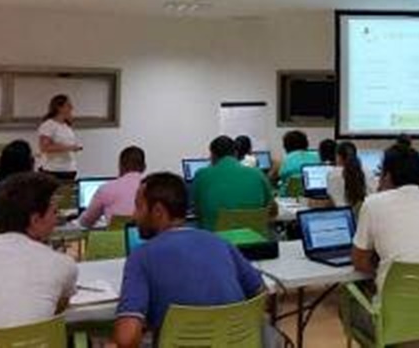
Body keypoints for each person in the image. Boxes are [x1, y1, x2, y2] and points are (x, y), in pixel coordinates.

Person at [113, 172, 264, 346]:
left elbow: (127, 339)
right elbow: (260, 293)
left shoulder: (141, 256)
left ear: (158, 211)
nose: (134, 216)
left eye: (138, 207)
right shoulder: (220, 242)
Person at [0, 172, 77, 328]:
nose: (57, 219)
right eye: (54, 212)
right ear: (35, 220)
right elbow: (57, 312)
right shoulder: (62, 264)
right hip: (33, 339)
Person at [352, 144, 419, 290]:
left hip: (396, 300)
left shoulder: (373, 204)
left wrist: (381, 273)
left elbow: (359, 262)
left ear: (387, 175)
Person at [193, 136, 276, 230]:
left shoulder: (201, 175)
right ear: (235, 153)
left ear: (212, 156)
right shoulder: (258, 174)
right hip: (254, 236)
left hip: (216, 237)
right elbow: (273, 210)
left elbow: (197, 210)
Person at [79, 146, 146, 228]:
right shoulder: (152, 188)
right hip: (148, 236)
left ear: (120, 166)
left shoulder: (106, 189)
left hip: (116, 235)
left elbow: (86, 222)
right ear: (144, 167)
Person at [38, 94, 82, 181]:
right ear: (59, 108)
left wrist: (74, 147)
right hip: (54, 170)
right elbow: (44, 147)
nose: (71, 108)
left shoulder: (66, 126)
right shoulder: (49, 125)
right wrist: (69, 148)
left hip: (69, 169)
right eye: (68, 105)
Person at [327, 141, 372, 208]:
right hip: (366, 211)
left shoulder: (333, 174)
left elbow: (331, 200)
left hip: (343, 213)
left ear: (339, 157)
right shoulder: (368, 171)